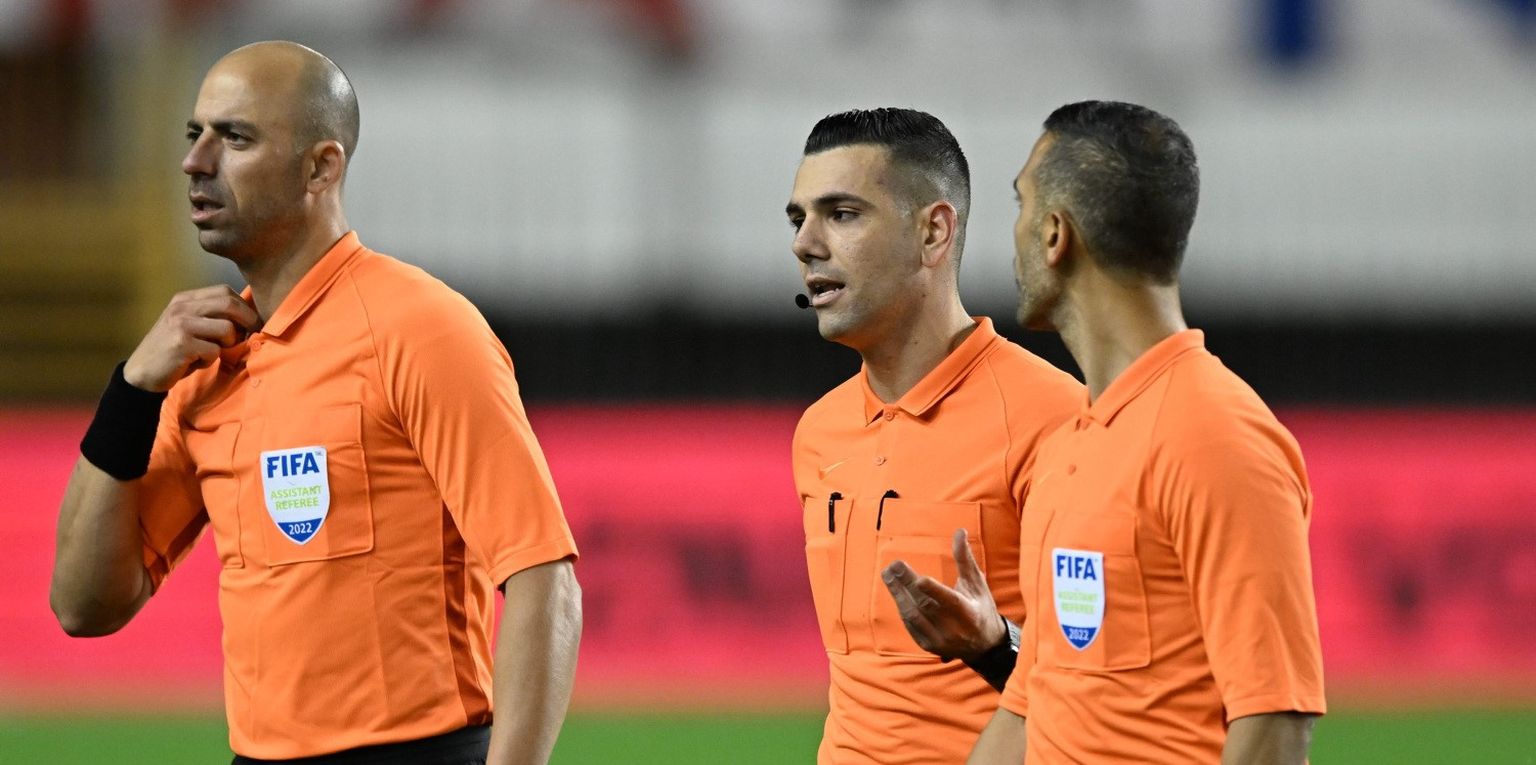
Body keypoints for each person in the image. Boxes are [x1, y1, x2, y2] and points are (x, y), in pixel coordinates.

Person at [48, 41, 581, 765]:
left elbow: (544, 579)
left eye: (235, 138)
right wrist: (131, 391)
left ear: (320, 168)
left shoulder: (421, 329)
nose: (196, 161)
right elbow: (82, 604)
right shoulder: (206, 365)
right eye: (195, 134)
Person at [964, 100, 1326, 763]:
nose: (1011, 230)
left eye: (1020, 203)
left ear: (1055, 234)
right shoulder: (1070, 443)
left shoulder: (1215, 436)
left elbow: (1275, 721)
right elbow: (1033, 702)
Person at [785, 107, 1081, 764]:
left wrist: (996, 645)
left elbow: (1103, 677)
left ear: (933, 231)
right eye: (798, 218)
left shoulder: (1055, 419)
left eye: (842, 214)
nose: (805, 243)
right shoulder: (819, 434)